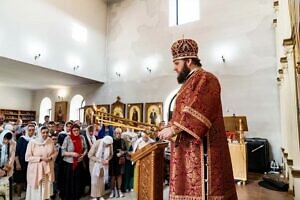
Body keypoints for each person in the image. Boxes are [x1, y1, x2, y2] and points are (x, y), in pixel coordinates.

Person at [158, 38, 237, 200]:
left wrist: (173, 129)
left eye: (177, 63)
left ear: (189, 61)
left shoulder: (206, 79)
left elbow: (198, 108)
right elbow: (180, 113)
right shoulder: (188, 83)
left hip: (204, 151)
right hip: (186, 150)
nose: (174, 68)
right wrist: (170, 127)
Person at [25, 126, 56, 200]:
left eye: (47, 132)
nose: (45, 134)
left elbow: (55, 152)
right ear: (39, 133)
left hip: (47, 167)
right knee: (37, 186)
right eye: (43, 133)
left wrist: (51, 157)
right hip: (36, 168)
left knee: (45, 185)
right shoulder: (32, 142)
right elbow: (27, 157)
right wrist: (40, 158)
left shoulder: (50, 141)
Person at [60, 124, 87, 200]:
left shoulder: (82, 138)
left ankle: (76, 195)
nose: (76, 132)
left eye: (77, 130)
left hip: (79, 162)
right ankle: (68, 196)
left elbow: (86, 148)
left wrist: (83, 155)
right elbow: (63, 151)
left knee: (77, 180)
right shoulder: (67, 138)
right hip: (69, 163)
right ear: (71, 131)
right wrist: (72, 154)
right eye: (74, 130)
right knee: (69, 180)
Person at [88, 135, 113, 200]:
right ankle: (94, 196)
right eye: (107, 145)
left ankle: (101, 195)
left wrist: (107, 160)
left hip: (104, 164)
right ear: (104, 142)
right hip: (94, 164)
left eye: (109, 145)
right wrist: (100, 160)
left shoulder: (110, 144)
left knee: (102, 180)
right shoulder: (97, 143)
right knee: (95, 180)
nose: (108, 146)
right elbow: (90, 155)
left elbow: (111, 155)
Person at [14, 124, 36, 198]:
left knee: (29, 180)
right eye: (29, 130)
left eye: (33, 130)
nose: (31, 132)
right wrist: (17, 163)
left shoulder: (35, 139)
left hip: (31, 163)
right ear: (26, 131)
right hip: (21, 162)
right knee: (19, 180)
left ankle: (27, 196)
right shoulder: (22, 139)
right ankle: (19, 195)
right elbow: (16, 152)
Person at [109, 128, 127, 198]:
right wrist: (114, 153)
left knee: (119, 175)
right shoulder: (111, 141)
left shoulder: (122, 141)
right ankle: (112, 190)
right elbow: (108, 150)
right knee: (113, 176)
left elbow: (126, 150)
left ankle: (119, 190)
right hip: (112, 160)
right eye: (117, 133)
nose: (118, 135)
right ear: (114, 133)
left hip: (120, 160)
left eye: (119, 133)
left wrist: (122, 152)